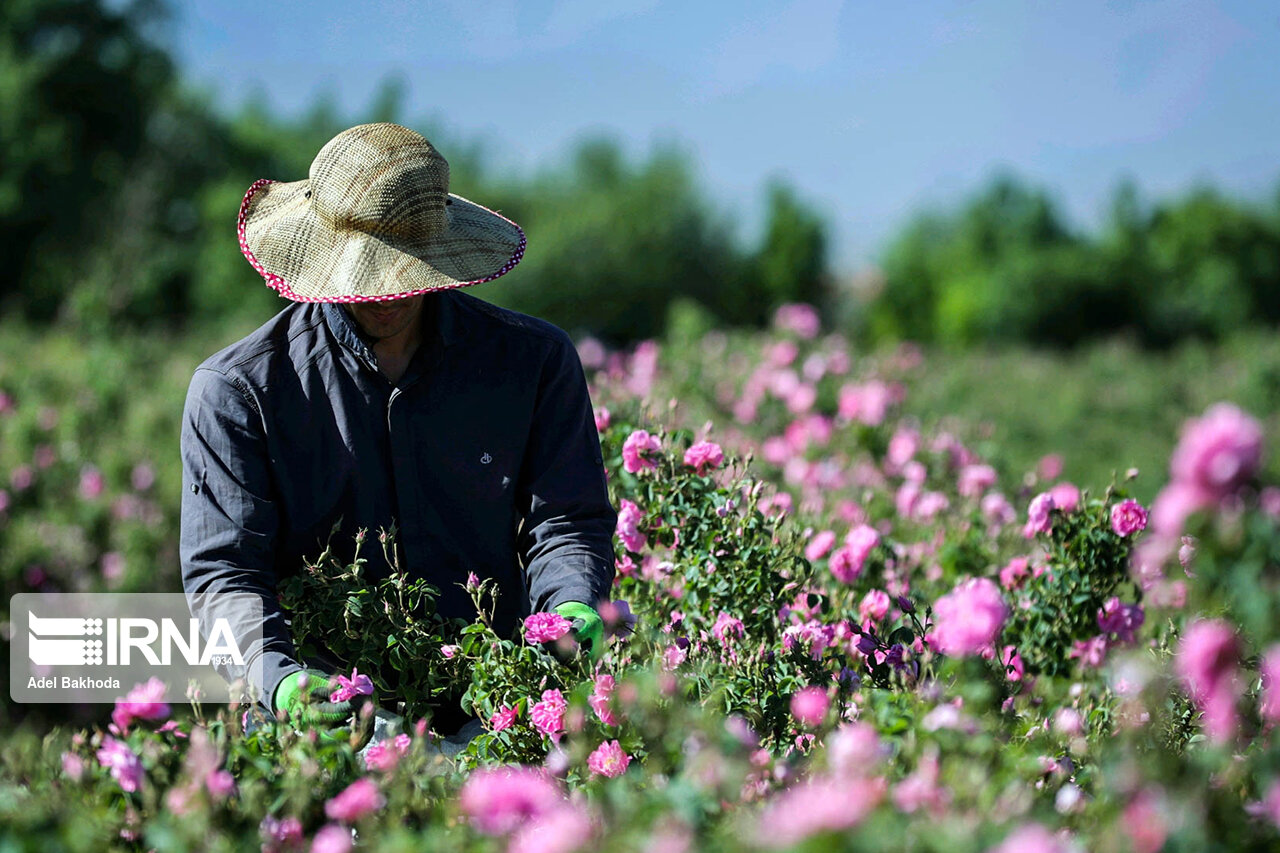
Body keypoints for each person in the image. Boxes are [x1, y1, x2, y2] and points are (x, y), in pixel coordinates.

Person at [179, 122, 617, 742]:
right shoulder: (239, 391)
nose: (385, 294)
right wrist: (276, 678)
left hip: (500, 706)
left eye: (404, 270)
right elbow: (225, 573)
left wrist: (570, 605)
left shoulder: (533, 363)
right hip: (329, 719)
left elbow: (566, 522)